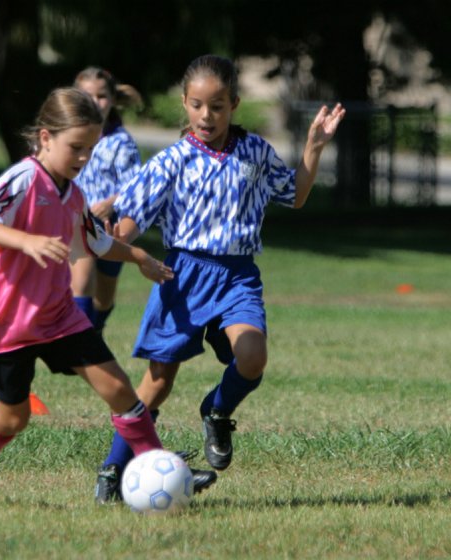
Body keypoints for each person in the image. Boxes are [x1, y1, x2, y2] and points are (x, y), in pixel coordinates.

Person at [94, 54, 346, 502]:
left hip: (237, 277)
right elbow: (127, 227)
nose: (206, 116)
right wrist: (119, 246)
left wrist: (314, 146)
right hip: (183, 276)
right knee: (157, 383)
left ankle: (217, 410)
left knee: (252, 357)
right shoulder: (171, 161)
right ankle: (113, 471)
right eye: (196, 105)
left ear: (234, 104)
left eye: (217, 107)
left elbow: (295, 194)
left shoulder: (254, 152)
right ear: (185, 104)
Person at [0, 86, 199, 503]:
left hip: (58, 315)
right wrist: (25, 240)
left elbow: (97, 243)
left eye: (91, 149)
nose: (84, 158)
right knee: (15, 417)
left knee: (120, 388)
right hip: (8, 320)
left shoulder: (74, 194)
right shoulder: (23, 179)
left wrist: (139, 255)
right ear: (46, 137)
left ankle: (157, 465)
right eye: (76, 148)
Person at [70, 67, 143, 336]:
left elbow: (137, 186)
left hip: (111, 226)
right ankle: (79, 342)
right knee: (81, 283)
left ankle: (95, 327)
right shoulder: (69, 136)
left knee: (104, 295)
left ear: (112, 99)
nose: (95, 102)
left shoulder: (121, 141)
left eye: (101, 96)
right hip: (78, 220)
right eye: (87, 95)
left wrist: (112, 202)